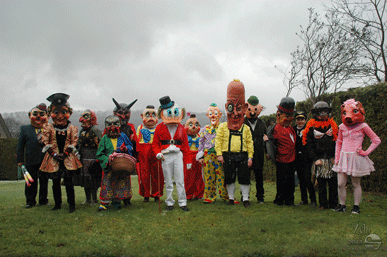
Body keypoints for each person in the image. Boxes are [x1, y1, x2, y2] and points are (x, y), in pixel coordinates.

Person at [333, 99, 381, 214]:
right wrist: (337, 157)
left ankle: (356, 206)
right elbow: (339, 142)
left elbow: (376, 140)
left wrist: (366, 152)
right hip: (343, 158)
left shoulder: (363, 126)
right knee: (340, 183)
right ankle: (342, 205)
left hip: (355, 157)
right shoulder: (342, 127)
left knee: (355, 183)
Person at [40, 93, 82, 213]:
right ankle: (57, 204)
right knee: (55, 182)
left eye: (64, 112)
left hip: (68, 159)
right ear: (50, 114)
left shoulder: (72, 128)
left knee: (69, 183)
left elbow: (74, 141)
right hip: (53, 159)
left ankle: (71, 205)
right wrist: (53, 154)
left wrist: (66, 153)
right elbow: (45, 141)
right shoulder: (48, 128)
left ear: (69, 113)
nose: (60, 116)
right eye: (56, 112)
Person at [215, 79, 254, 208]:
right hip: (228, 155)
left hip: (242, 155)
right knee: (229, 177)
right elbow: (218, 141)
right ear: (226, 107)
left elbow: (250, 143)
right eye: (231, 108)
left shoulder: (246, 128)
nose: (235, 114)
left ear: (244, 108)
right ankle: (231, 198)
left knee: (244, 178)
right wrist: (219, 154)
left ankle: (246, 198)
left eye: (239, 109)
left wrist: (250, 157)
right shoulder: (222, 127)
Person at [153, 96, 191, 211]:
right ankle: (169, 202)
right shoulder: (159, 128)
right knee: (168, 181)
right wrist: (158, 153)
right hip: (166, 155)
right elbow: (155, 144)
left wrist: (188, 160)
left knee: (180, 180)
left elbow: (185, 146)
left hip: (178, 155)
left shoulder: (181, 128)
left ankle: (182, 202)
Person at [302, 101, 338, 210]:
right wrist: (315, 158)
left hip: (331, 159)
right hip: (319, 159)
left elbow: (338, 142)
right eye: (320, 112)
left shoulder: (333, 125)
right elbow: (308, 145)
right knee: (321, 184)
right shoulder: (311, 127)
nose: (322, 114)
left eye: (324, 112)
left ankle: (333, 204)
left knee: (333, 183)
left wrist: (336, 157)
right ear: (315, 114)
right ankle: (323, 204)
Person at [96, 115, 134, 211]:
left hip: (121, 165)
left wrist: (125, 149)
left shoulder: (123, 136)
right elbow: (99, 153)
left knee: (120, 183)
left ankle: (117, 202)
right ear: (106, 127)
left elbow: (130, 146)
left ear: (119, 125)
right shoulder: (104, 138)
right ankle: (105, 203)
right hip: (108, 167)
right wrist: (107, 159)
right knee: (107, 183)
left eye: (115, 125)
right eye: (109, 125)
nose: (112, 128)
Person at [16, 103, 49, 208]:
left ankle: (43, 200)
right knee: (30, 182)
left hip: (45, 160)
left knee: (44, 182)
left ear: (47, 116)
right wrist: (20, 161)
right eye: (35, 114)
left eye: (41, 114)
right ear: (30, 115)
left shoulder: (49, 129)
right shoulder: (25, 129)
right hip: (31, 160)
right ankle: (30, 201)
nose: (38, 116)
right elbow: (20, 146)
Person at [267, 97, 297, 206]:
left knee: (290, 180)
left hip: (291, 158)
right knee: (281, 180)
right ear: (278, 115)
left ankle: (289, 200)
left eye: (290, 117)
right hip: (281, 159)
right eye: (286, 117)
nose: (288, 119)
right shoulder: (275, 128)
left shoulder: (291, 129)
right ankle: (279, 199)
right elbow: (271, 143)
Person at [197, 103, 229, 204]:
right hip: (208, 155)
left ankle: (225, 196)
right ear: (207, 115)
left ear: (219, 115)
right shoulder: (205, 129)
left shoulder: (224, 127)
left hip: (220, 155)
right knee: (208, 176)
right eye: (211, 114)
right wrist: (200, 156)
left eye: (215, 113)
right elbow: (201, 142)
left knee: (222, 177)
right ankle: (209, 197)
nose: (213, 116)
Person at [112, 98, 138, 206]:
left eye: (126, 113)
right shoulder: (111, 125)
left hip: (127, 155)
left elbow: (134, 141)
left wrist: (131, 145)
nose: (123, 116)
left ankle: (127, 199)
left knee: (126, 178)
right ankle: (115, 199)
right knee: (114, 178)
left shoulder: (130, 126)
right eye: (120, 113)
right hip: (114, 154)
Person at [136, 105, 164, 202]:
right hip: (143, 151)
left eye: (153, 115)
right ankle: (146, 194)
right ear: (142, 116)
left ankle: (157, 194)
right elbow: (137, 140)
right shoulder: (140, 128)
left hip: (156, 150)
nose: (150, 117)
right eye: (147, 115)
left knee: (157, 173)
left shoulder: (159, 128)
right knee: (144, 173)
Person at [244, 95, 267, 203]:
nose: (252, 113)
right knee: (245, 176)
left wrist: (267, 152)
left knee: (259, 176)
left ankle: (260, 197)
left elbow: (266, 138)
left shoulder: (262, 123)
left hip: (258, 153)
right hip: (245, 153)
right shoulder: (242, 122)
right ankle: (245, 196)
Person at [76, 109, 102, 206]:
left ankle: (94, 199)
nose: (82, 120)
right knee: (85, 179)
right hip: (83, 158)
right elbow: (79, 144)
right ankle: (87, 198)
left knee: (93, 179)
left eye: (85, 117)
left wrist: (98, 158)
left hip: (93, 157)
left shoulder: (95, 130)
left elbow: (100, 144)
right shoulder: (82, 131)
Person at [293, 111, 316, 206]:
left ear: (305, 120)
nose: (300, 121)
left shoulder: (309, 129)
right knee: (301, 179)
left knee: (307, 179)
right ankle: (304, 200)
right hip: (297, 158)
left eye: (302, 119)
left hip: (306, 158)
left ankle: (313, 200)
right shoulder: (293, 129)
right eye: (298, 119)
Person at [184, 114, 204, 200]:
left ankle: (198, 194)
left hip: (198, 156)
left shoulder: (200, 137)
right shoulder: (184, 137)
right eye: (191, 125)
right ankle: (188, 194)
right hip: (188, 156)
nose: (194, 127)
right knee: (188, 177)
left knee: (199, 176)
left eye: (196, 125)